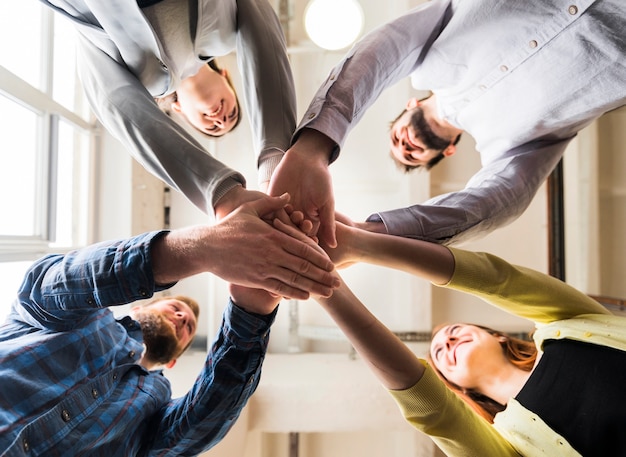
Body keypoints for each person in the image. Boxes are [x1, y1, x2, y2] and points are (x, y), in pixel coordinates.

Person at [268, 0, 626, 247]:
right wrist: (373, 233)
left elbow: (385, 48)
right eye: (412, 157)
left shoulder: (426, 60)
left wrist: (313, 148)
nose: (405, 147)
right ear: (448, 151)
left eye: (396, 140)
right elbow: (493, 202)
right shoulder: (505, 146)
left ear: (411, 104)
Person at [0, 195, 336, 456]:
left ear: (173, 361)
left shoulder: (155, 401)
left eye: (188, 326)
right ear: (139, 305)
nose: (182, 317)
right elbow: (46, 287)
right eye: (176, 308)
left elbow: (194, 429)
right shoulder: (86, 316)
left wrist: (251, 310)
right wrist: (199, 249)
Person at [290, 219, 626, 456]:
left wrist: (357, 244)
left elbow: (499, 280)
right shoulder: (509, 443)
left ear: (495, 335)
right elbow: (436, 414)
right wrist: (322, 283)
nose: (447, 343)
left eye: (453, 333)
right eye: (439, 355)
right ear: (456, 387)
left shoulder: (565, 325)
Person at [39, 0, 296, 219]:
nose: (219, 119)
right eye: (230, 113)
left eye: (212, 126)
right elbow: (263, 32)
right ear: (226, 78)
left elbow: (112, 99)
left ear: (180, 110)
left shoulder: (142, 83)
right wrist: (276, 164)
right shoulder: (226, 33)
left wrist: (221, 192)